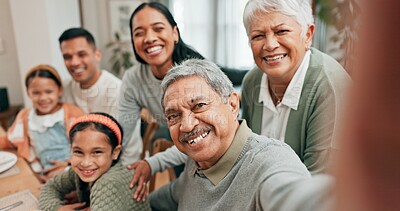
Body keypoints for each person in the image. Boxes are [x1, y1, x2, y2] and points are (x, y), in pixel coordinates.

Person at [147, 58, 324, 210]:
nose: (186, 125)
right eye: (173, 116)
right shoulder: (195, 164)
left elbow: (292, 195)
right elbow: (167, 197)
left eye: (199, 106)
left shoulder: (270, 162)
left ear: (232, 105)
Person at [240, 0, 351, 174]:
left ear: (307, 35)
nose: (270, 45)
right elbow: (245, 157)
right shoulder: (252, 81)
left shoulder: (329, 86)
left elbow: (320, 182)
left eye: (281, 31)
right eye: (258, 36)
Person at [118, 2, 204, 167]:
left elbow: (199, 140)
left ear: (175, 33)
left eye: (158, 29)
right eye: (139, 33)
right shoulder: (133, 78)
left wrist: (151, 164)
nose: (149, 38)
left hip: (212, 153)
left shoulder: (195, 75)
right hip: (183, 145)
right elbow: (124, 135)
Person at [39, 112, 151, 211]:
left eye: (97, 152)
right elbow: (49, 187)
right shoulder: (79, 171)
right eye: (78, 152)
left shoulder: (109, 183)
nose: (86, 163)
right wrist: (57, 208)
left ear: (115, 152)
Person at [0, 64, 84, 182]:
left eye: (49, 91)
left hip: (72, 170)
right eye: (36, 93)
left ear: (59, 91)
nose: (43, 98)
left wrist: (69, 164)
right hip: (42, 173)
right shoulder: (25, 117)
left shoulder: (71, 113)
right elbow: (8, 140)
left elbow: (87, 145)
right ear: (28, 93)